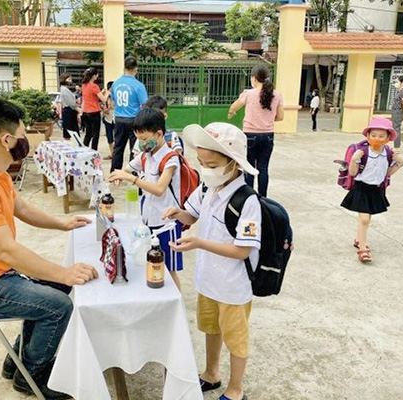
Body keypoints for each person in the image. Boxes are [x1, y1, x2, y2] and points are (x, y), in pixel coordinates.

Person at [0, 98, 98, 399]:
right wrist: (64, 272)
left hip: (1, 273)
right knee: (59, 306)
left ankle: (15, 360)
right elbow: (7, 251)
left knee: (57, 286)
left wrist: (62, 223)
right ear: (6, 140)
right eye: (22, 135)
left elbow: (23, 207)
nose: (25, 140)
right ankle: (31, 374)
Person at [162, 122, 261, 400]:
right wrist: (177, 213)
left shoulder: (247, 200)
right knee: (211, 328)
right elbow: (192, 215)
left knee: (235, 339)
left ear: (234, 164)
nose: (205, 169)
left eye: (212, 164)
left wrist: (199, 243)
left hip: (232, 286)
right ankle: (211, 373)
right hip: (208, 279)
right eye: (202, 163)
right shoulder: (208, 188)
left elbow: (243, 250)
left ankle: (236, 388)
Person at [108, 108, 183, 290]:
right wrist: (119, 174)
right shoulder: (146, 155)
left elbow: (159, 189)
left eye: (143, 139)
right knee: (151, 263)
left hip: (167, 222)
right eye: (138, 138)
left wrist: (132, 178)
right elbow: (127, 168)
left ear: (159, 134)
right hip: (149, 218)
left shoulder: (170, 159)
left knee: (169, 269)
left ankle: (176, 305)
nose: (141, 143)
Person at [341, 117, 403, 263]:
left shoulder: (387, 154)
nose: (377, 139)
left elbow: (387, 173)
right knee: (364, 219)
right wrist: (353, 160)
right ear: (367, 136)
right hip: (362, 188)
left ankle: (359, 239)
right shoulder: (362, 152)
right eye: (373, 135)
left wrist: (399, 164)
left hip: (376, 189)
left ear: (388, 138)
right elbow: (352, 172)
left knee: (367, 219)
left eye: (381, 136)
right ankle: (363, 249)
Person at [228, 64, 284, 197]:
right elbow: (280, 117)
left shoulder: (248, 94)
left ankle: (249, 197)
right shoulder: (276, 94)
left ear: (254, 78)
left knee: (249, 168)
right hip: (268, 136)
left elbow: (234, 107)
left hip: (250, 135)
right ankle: (263, 198)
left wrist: (232, 113)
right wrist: (266, 119)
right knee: (263, 169)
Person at [110, 56, 148, 172]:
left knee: (118, 146)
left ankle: (115, 172)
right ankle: (133, 172)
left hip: (119, 118)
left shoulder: (115, 84)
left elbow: (112, 103)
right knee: (134, 148)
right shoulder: (138, 85)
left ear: (124, 68)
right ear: (135, 69)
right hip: (133, 119)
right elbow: (144, 105)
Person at [81, 67, 109, 151]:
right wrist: (107, 93)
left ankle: (83, 150)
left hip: (86, 112)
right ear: (93, 76)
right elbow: (103, 99)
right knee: (95, 135)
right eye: (96, 75)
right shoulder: (94, 86)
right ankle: (93, 151)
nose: (97, 76)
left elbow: (90, 97)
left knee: (88, 133)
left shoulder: (84, 85)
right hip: (94, 112)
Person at [391, 76, 403, 151]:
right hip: (395, 110)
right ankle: (396, 145)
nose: (396, 83)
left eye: (398, 82)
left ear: (402, 83)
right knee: (395, 127)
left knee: (396, 128)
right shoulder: (399, 90)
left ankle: (397, 147)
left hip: (398, 111)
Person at [59, 73, 79, 140]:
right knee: (71, 131)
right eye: (69, 79)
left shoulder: (65, 89)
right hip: (69, 111)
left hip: (68, 111)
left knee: (70, 130)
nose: (70, 81)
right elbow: (71, 103)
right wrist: (78, 109)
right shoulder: (64, 90)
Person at [102, 81, 115, 160]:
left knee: (117, 137)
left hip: (115, 118)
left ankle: (115, 153)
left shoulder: (116, 96)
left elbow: (112, 106)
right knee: (109, 137)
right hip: (108, 118)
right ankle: (111, 153)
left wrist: (107, 108)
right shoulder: (105, 96)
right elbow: (102, 103)